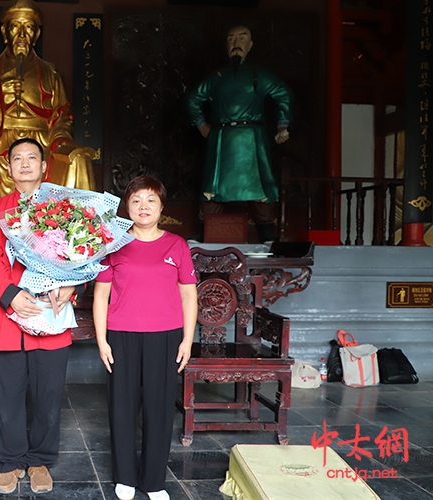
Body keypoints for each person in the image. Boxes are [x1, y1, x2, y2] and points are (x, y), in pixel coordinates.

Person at [0, 138, 77, 495]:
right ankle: (10, 461)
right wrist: (11, 296)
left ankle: (40, 459)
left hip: (52, 313)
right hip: (10, 317)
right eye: (17, 158)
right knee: (7, 395)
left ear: (43, 166)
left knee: (49, 394)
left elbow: (78, 251)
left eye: (31, 158)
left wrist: (72, 286)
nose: (24, 164)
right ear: (8, 167)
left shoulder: (64, 208)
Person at [93, 176, 198, 500]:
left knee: (159, 409)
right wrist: (102, 341)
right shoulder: (114, 243)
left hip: (164, 337)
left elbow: (189, 297)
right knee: (122, 408)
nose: (143, 207)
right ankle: (124, 477)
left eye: (150, 200)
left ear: (161, 207)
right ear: (127, 206)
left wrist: (186, 340)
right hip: (122, 335)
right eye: (136, 200)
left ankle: (153, 481)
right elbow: (100, 296)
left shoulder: (176, 245)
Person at [0, 0, 95, 222]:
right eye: (15, 26)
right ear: (4, 32)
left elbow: (62, 117)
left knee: (79, 159)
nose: (22, 34)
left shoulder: (51, 73)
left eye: (29, 27)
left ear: (37, 34)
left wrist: (61, 141)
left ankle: (76, 231)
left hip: (41, 144)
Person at [185, 25, 293, 243]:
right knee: (213, 188)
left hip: (252, 138)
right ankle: (205, 231)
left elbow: (283, 94)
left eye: (242, 38)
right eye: (231, 38)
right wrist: (201, 124)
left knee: (259, 186)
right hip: (222, 137)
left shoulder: (259, 74)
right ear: (226, 46)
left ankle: (266, 234)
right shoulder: (216, 77)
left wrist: (283, 125)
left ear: (250, 45)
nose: (236, 43)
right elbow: (193, 98)